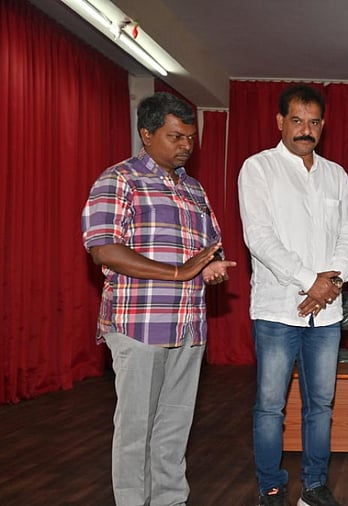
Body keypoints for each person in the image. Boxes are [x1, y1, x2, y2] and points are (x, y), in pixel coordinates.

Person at [81, 92, 236, 506]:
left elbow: (207, 249)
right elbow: (103, 248)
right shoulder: (118, 181)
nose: (186, 145)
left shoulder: (194, 189)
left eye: (190, 136)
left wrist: (209, 267)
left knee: (174, 426)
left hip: (188, 326)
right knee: (135, 429)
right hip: (139, 326)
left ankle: (170, 500)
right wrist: (177, 272)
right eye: (175, 136)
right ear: (146, 135)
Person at [238, 84, 348, 506]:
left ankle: (314, 484)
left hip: (326, 316)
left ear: (322, 125)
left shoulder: (336, 174)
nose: (305, 130)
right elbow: (260, 239)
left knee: (320, 406)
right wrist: (312, 280)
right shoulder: (258, 169)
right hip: (276, 310)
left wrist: (331, 283)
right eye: (297, 121)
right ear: (280, 122)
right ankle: (271, 485)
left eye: (313, 122)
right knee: (271, 406)